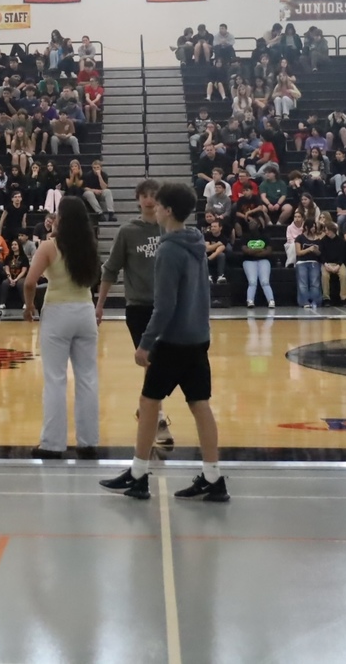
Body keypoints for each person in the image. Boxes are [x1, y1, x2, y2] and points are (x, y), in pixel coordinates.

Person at [100, 182, 228, 502]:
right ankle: (213, 478)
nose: (153, 209)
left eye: (157, 206)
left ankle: (138, 474)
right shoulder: (196, 241)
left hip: (173, 341)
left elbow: (165, 305)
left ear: (168, 210)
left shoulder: (169, 249)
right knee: (200, 405)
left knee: (148, 403)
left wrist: (145, 343)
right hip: (198, 338)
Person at [22, 196, 101, 459]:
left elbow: (30, 282)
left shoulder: (48, 246)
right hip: (85, 312)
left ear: (63, 219)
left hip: (58, 312)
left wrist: (29, 306)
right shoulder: (90, 246)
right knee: (87, 378)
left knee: (55, 379)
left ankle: (53, 443)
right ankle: (88, 442)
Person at [96, 179, 173, 446]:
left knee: (163, 363)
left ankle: (148, 408)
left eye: (154, 195)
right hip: (139, 307)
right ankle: (158, 417)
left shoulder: (169, 230)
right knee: (152, 360)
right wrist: (100, 304)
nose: (150, 199)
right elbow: (110, 269)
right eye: (145, 195)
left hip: (167, 307)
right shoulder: (127, 232)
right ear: (138, 199)